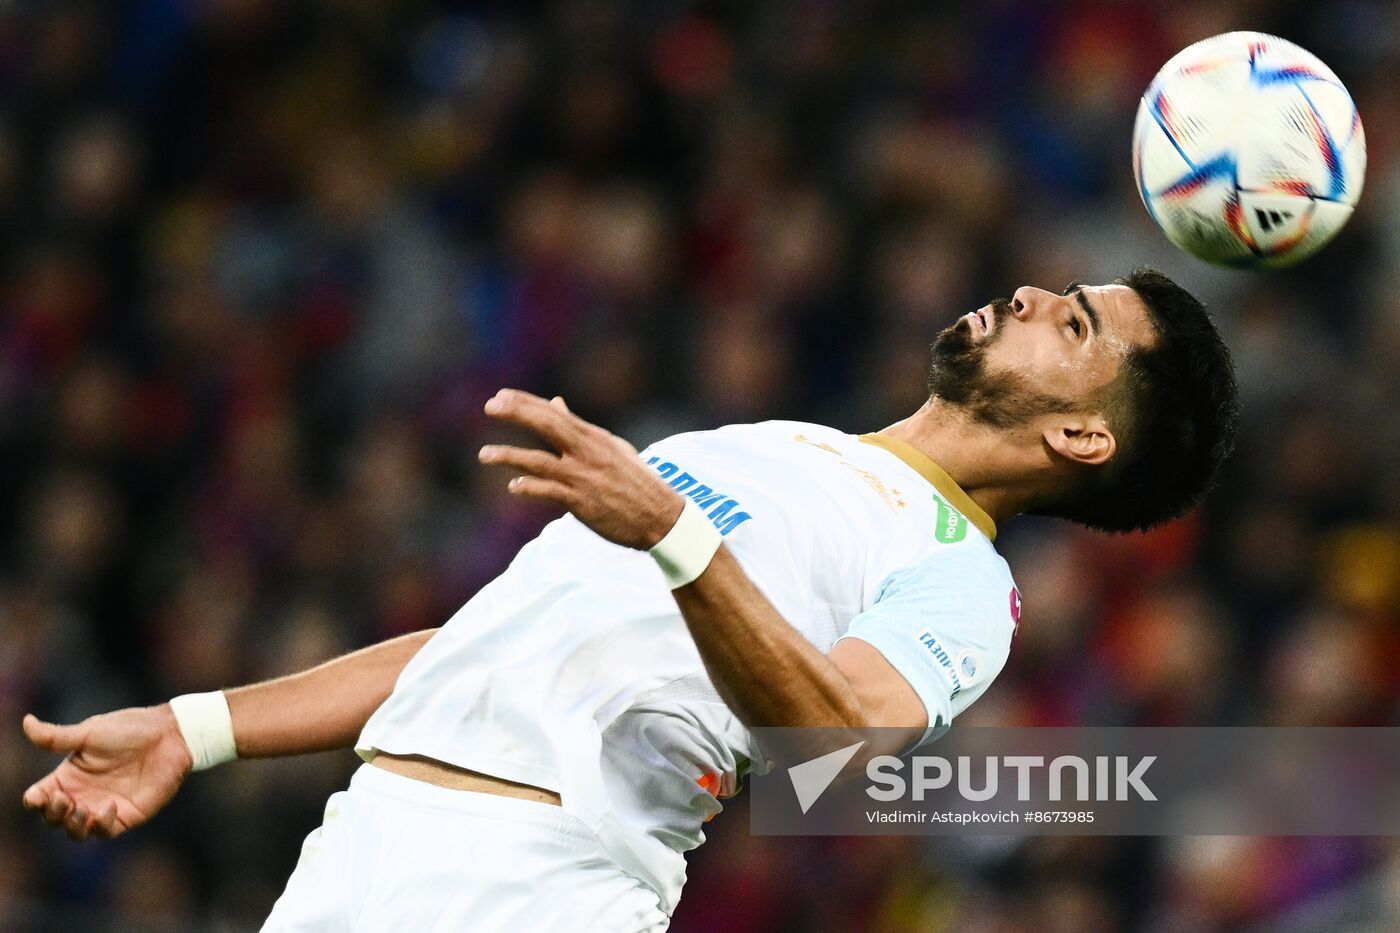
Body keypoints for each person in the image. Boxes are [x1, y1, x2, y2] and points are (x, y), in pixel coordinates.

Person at [22, 268, 1239, 931]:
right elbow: (477, 644)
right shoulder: (779, 442)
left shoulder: (965, 581)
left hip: (540, 885)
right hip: (363, 845)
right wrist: (199, 725)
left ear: (1083, 435)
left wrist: (674, 535)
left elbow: (835, 749)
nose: (1029, 294)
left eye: (1073, 323)